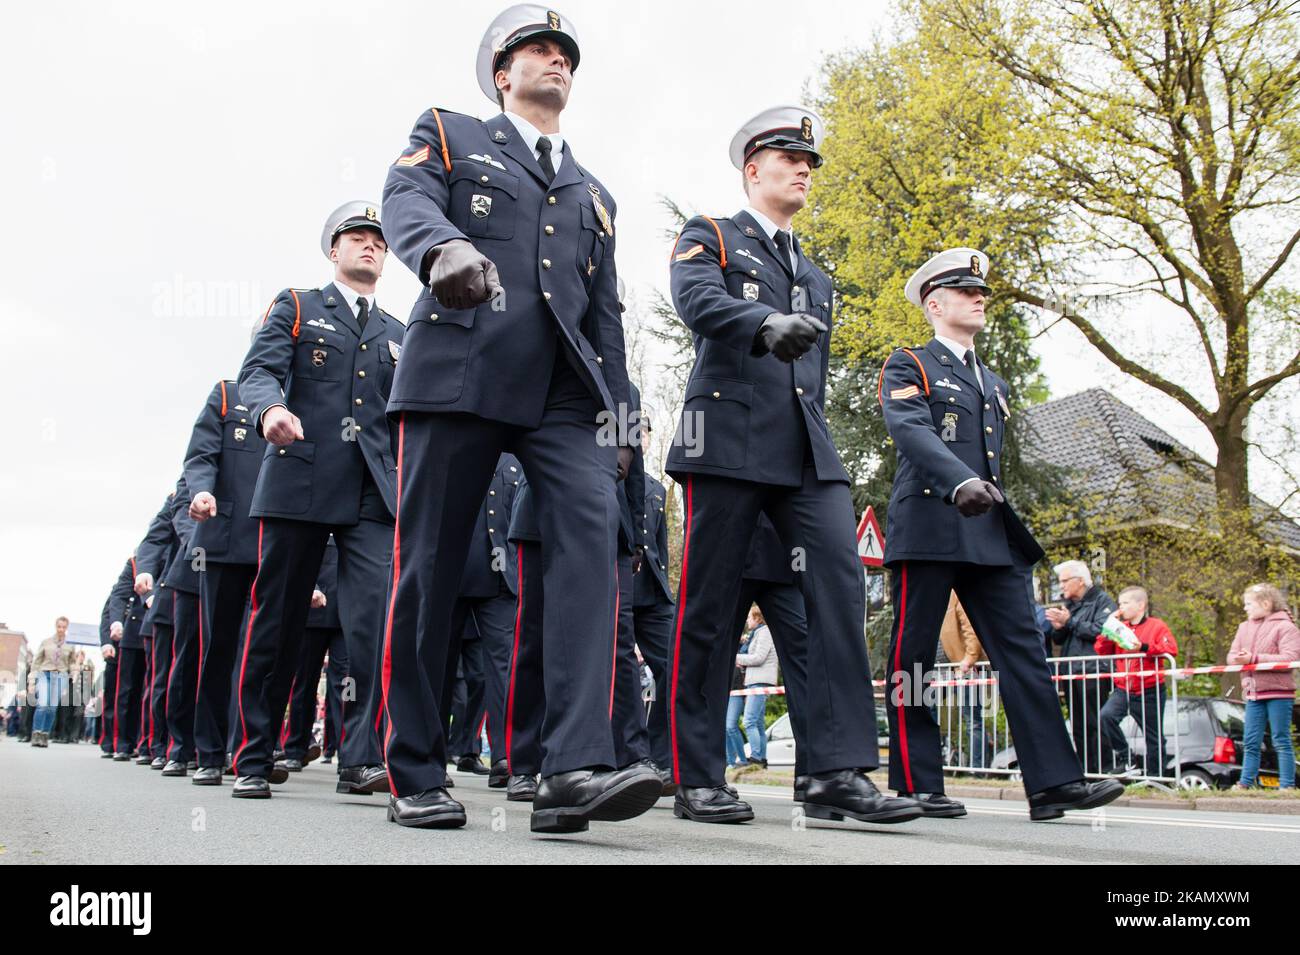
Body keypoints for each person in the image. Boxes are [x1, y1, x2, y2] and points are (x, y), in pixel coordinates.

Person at [379, 4, 659, 832]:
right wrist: (438, 249)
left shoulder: (595, 193)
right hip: (459, 368)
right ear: (503, 73)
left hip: (565, 395)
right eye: (538, 49)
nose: (556, 60)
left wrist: (624, 426)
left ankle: (570, 765)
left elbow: (606, 316)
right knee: (428, 568)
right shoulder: (450, 131)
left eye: (565, 52)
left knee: (589, 550)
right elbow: (404, 194)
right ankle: (415, 768)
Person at [665, 104, 916, 826]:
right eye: (788, 158)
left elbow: (816, 376)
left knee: (838, 595)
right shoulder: (710, 234)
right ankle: (696, 774)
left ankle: (835, 770)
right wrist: (761, 322)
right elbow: (697, 302)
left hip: (805, 450)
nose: (804, 169)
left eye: (809, 162)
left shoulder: (814, 271)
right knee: (710, 608)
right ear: (753, 169)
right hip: (727, 443)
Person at [879, 247, 1124, 821]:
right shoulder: (909, 363)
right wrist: (957, 480)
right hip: (930, 524)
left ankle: (1054, 783)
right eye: (965, 291)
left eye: (980, 290)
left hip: (989, 531)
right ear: (935, 304)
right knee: (913, 659)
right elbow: (909, 429)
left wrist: (977, 489)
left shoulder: (993, 380)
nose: (978, 297)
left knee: (1023, 654)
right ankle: (917, 783)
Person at [232, 201, 405, 799]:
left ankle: (360, 758)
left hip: (370, 494)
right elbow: (259, 372)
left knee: (372, 626)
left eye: (379, 241)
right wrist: (270, 410)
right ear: (334, 250)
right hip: (299, 481)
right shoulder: (298, 305)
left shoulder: (399, 333)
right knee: (278, 622)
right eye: (357, 237)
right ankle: (255, 755)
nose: (370, 246)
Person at [182, 376, 267, 785]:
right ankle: (210, 752)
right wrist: (200, 491)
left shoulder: (302, 395)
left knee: (261, 652)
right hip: (225, 537)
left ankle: (250, 750)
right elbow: (201, 456)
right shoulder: (226, 394)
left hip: (276, 540)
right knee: (218, 649)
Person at [1095, 586, 1178, 777]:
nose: (1121, 607)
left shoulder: (1157, 626)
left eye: (1125, 603)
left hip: (1149, 689)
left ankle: (1156, 776)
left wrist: (1144, 647)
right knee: (1105, 717)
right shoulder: (1119, 627)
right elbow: (1102, 649)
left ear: (1140, 605)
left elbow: (1170, 649)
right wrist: (1108, 630)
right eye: (1120, 603)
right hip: (1124, 687)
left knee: (1153, 736)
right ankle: (1127, 759)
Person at [1046, 559, 1118, 774]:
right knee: (1078, 725)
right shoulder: (1069, 606)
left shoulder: (1102, 600)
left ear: (1079, 581)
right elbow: (1060, 640)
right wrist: (1058, 627)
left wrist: (1070, 623)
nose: (1061, 587)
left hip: (1093, 671)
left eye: (1064, 581)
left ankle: (1103, 770)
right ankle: (1085, 771)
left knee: (1095, 722)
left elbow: (1102, 631)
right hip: (1072, 672)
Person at [1228, 583, 1298, 788]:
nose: (1245, 608)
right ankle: (1245, 783)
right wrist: (1240, 659)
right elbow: (1232, 655)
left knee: (1280, 739)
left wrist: (1255, 658)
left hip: (1279, 693)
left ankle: (1287, 785)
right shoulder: (1244, 627)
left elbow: (1290, 658)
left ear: (1266, 604)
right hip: (1253, 692)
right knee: (1250, 741)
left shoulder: (1286, 627)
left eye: (1249, 603)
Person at [938, 593, 988, 772]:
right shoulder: (930, 595)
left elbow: (970, 627)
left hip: (962, 667)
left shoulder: (955, 595)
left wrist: (970, 658)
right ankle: (934, 765)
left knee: (973, 721)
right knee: (925, 714)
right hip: (939, 669)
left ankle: (978, 770)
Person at [735, 606, 777, 768]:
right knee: (758, 723)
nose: (747, 620)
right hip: (756, 680)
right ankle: (762, 758)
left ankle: (756, 757)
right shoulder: (757, 633)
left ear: (758, 618)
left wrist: (736, 657)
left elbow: (759, 657)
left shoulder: (765, 632)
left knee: (749, 721)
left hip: (760, 681)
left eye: (749, 618)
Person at [29, 617, 75, 747]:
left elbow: (72, 662)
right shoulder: (46, 642)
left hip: (61, 676)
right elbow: (36, 662)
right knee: (42, 704)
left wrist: (75, 673)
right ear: (55, 626)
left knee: (52, 708)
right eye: (59, 626)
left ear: (67, 628)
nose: (61, 629)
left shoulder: (70, 645)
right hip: (45, 674)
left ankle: (44, 735)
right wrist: (31, 681)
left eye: (64, 627)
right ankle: (36, 733)